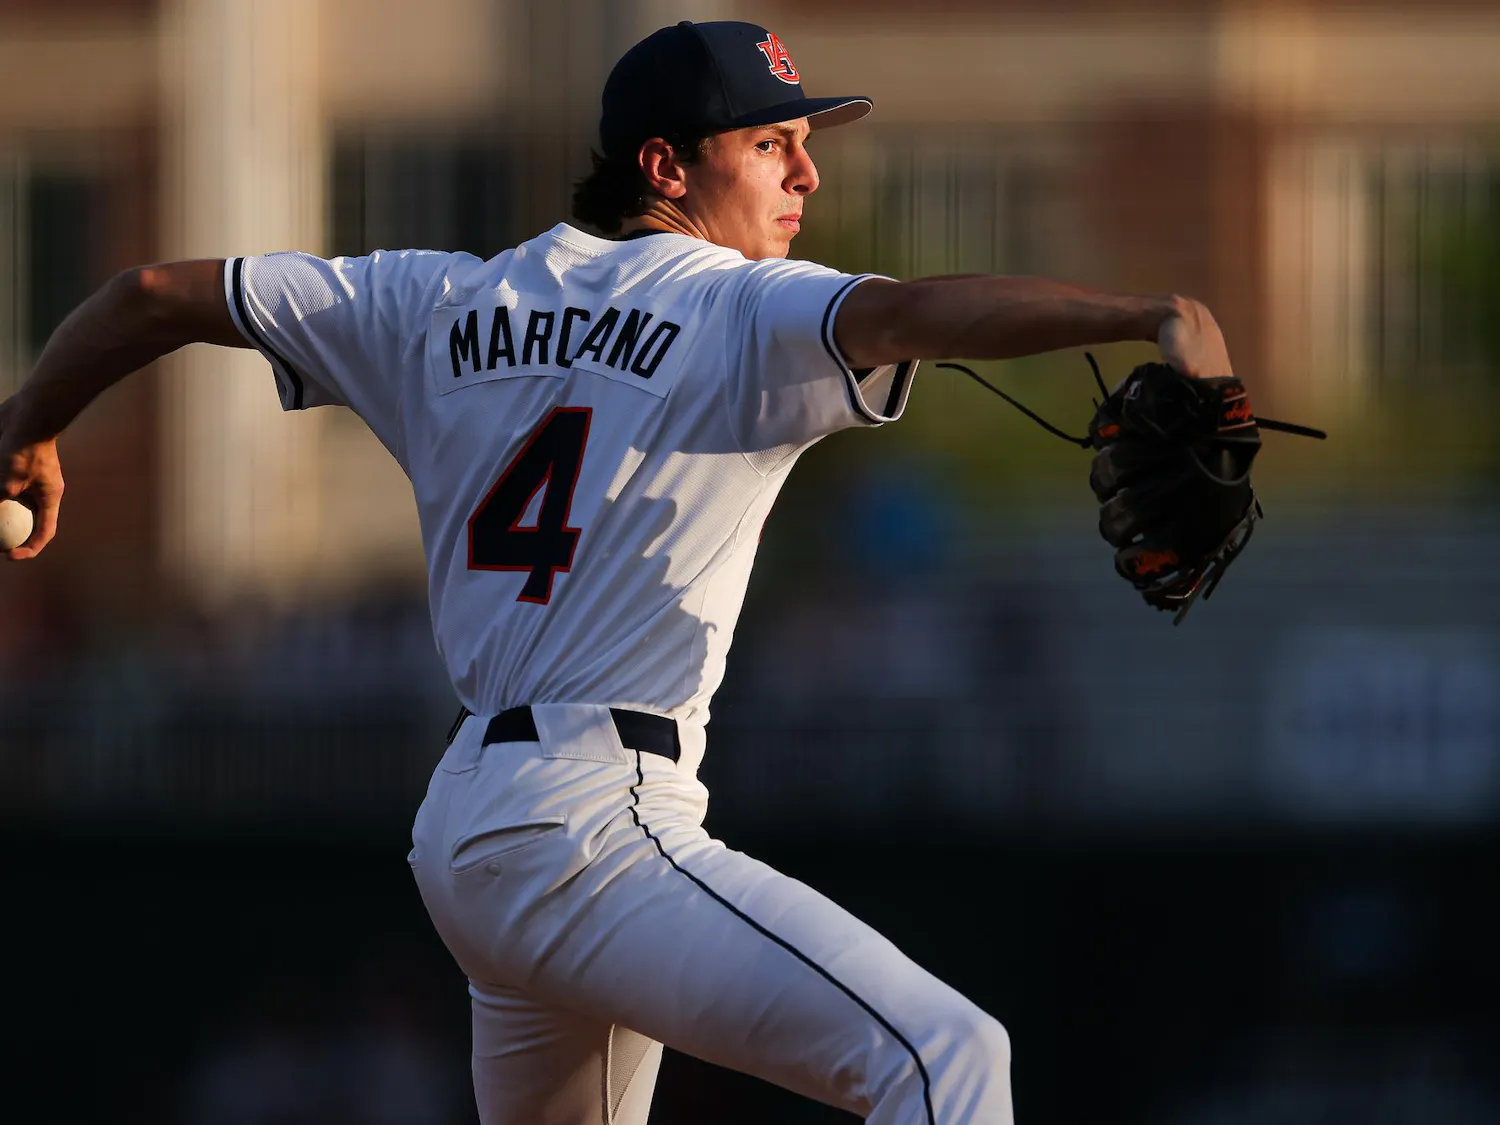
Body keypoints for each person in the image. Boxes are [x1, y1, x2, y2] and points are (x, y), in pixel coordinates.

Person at [0, 19, 1235, 1125]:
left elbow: (151, 293)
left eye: (805, 143)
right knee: (947, 1059)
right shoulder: (739, 308)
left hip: (473, 833)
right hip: (600, 819)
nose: (806, 174)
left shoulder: (438, 299)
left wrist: (29, 427)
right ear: (665, 165)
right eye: (771, 145)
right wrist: (1141, 312)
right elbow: (920, 312)